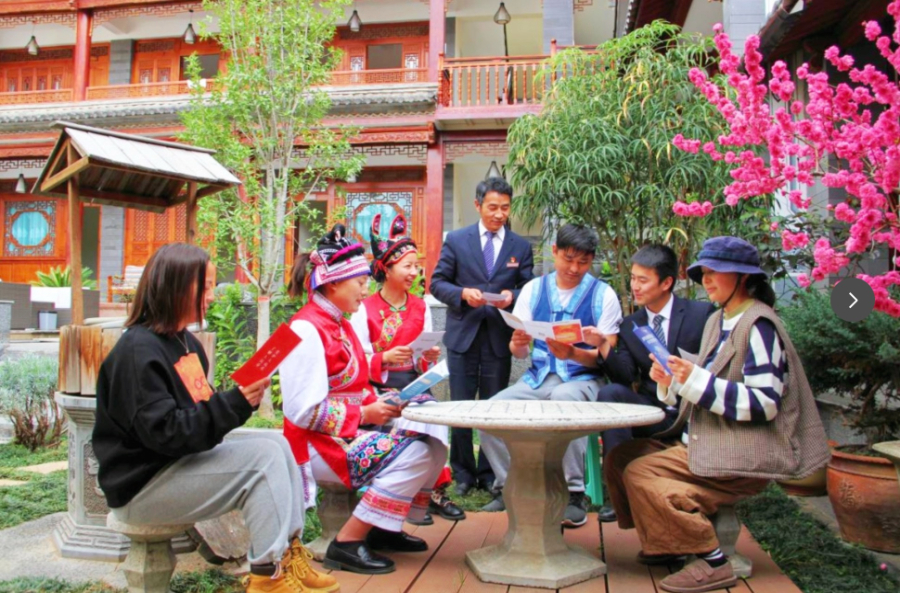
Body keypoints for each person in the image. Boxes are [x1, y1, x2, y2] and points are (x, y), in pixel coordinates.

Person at [92, 243, 336, 593]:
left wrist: (238, 401)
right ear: (175, 286)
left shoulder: (185, 342)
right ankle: (267, 578)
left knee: (277, 443)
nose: (211, 295)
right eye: (204, 286)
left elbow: (196, 419)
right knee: (264, 459)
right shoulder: (137, 351)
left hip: (176, 463)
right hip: (142, 487)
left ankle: (287, 554)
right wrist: (232, 403)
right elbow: (167, 433)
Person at [605, 236, 830, 593]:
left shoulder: (759, 326)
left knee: (641, 473)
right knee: (621, 458)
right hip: (705, 437)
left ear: (743, 277)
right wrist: (671, 381)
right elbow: (703, 383)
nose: (706, 280)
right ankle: (667, 541)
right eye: (704, 272)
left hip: (739, 449)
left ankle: (713, 561)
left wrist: (692, 379)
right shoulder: (718, 320)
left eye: (715, 272)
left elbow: (765, 403)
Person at [280, 225, 445, 576]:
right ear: (333, 283)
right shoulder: (306, 328)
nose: (366, 290)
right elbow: (301, 411)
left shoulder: (339, 324)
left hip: (347, 431)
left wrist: (389, 400)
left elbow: (356, 384)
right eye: (359, 282)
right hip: (318, 444)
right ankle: (347, 543)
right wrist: (365, 412)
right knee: (417, 453)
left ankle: (384, 526)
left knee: (434, 442)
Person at [477, 223, 623, 528]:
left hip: (583, 379)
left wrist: (574, 353)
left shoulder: (603, 295)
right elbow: (519, 353)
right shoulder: (533, 289)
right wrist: (518, 343)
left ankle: (573, 492)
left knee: (563, 399)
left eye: (583, 262)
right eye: (568, 259)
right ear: (554, 252)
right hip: (538, 377)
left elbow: (608, 358)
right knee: (489, 413)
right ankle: (511, 486)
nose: (574, 268)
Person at [583, 244, 715, 524]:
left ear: (666, 282)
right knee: (610, 393)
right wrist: (604, 345)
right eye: (633, 278)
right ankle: (620, 494)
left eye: (643, 280)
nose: (635, 286)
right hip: (653, 409)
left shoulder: (701, 315)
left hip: (692, 409)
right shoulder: (631, 324)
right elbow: (625, 376)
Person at [349, 214, 465, 526]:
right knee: (404, 418)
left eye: (416, 266)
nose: (414, 273)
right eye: (407, 266)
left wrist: (428, 356)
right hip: (378, 385)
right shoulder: (364, 308)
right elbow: (356, 358)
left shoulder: (420, 305)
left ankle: (431, 492)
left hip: (414, 382)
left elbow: (421, 359)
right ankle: (401, 493)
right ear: (386, 269)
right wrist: (384, 357)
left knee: (433, 416)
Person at [430, 177, 535, 496]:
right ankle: (462, 473)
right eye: (492, 207)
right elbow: (437, 283)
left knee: (494, 407)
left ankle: (490, 473)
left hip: (498, 337)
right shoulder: (456, 240)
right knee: (460, 406)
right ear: (477, 205)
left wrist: (512, 296)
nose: (499, 214)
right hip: (463, 335)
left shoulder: (520, 246)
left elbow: (529, 288)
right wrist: (463, 294)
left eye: (505, 207)